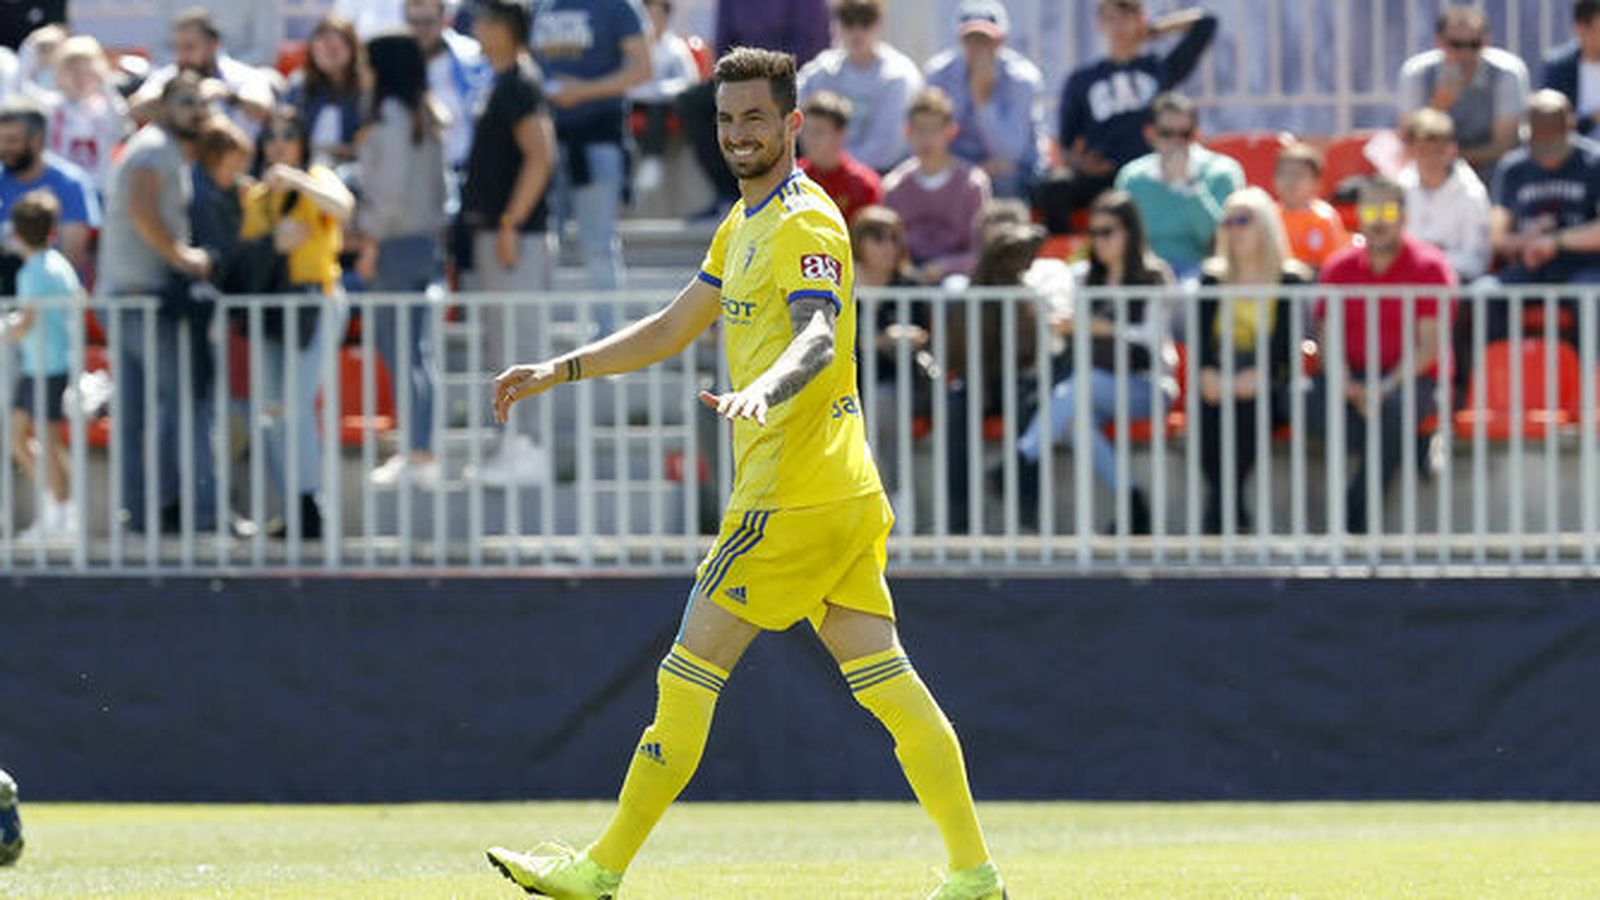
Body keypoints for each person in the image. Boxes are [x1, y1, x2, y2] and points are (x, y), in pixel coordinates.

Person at [484, 46, 1005, 900]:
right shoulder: (744, 222)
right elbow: (667, 328)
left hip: (787, 498)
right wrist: (558, 369)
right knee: (889, 684)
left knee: (685, 674)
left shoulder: (804, 219)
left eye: (756, 118)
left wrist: (766, 386)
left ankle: (600, 869)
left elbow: (819, 334)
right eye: (727, 120)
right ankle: (975, 874)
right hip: (840, 494)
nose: (738, 134)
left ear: (793, 123)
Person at [1015, 189, 1175, 535]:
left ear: (1129, 233)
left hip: (1147, 385)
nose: (1099, 240)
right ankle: (1134, 504)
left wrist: (1105, 327)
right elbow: (1049, 291)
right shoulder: (1083, 277)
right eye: (1094, 232)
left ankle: (1021, 458)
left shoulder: (1153, 275)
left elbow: (1151, 338)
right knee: (1074, 423)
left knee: (1081, 384)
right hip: (1094, 387)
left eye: (1108, 232)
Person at [97, 71, 214, 535]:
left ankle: (137, 512)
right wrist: (182, 257)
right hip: (142, 298)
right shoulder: (154, 149)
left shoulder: (160, 147)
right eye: (186, 101)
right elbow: (142, 208)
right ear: (165, 106)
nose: (197, 111)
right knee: (175, 403)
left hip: (128, 297)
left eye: (202, 102)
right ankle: (170, 508)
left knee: (135, 412)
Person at [239, 105, 356, 541]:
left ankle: (310, 505)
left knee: (295, 404)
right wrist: (276, 240)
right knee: (271, 410)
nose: (278, 145)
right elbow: (251, 253)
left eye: (288, 136)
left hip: (313, 302)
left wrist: (296, 179)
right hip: (272, 306)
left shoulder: (316, 178)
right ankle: (291, 503)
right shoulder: (257, 196)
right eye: (271, 137)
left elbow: (343, 207)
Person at [1314, 176, 1454, 535]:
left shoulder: (1430, 266)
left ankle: (1352, 524)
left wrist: (1385, 387)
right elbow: (1328, 337)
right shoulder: (1338, 267)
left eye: (1388, 210)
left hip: (1412, 380)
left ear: (1404, 216)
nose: (1378, 219)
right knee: (1301, 401)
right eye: (1370, 209)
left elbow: (1428, 346)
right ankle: (1415, 443)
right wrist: (1347, 385)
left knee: (1394, 409)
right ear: (1358, 215)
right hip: (1355, 379)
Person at [460, 0, 557, 487]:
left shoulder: (520, 81)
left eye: (482, 20)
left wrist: (508, 224)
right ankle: (513, 444)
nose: (474, 28)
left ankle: (530, 450)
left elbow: (541, 156)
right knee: (502, 344)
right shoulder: (502, 80)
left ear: (503, 29)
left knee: (520, 343)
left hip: (514, 239)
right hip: (499, 235)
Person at [358, 32, 450, 490]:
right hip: (421, 242)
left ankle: (419, 450)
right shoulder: (425, 117)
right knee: (414, 351)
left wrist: (371, 239)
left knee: (402, 351)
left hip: (395, 244)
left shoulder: (393, 117)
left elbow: (388, 193)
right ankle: (420, 448)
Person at [1040, 0, 1217, 235]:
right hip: (1105, 177)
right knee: (1054, 188)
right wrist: (1083, 165)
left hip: (1153, 173)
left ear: (1140, 20)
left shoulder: (1159, 69)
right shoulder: (1082, 80)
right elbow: (1065, 146)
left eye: (1126, 18)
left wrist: (1153, 31)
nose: (1119, 27)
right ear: (1100, 24)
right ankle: (1065, 255)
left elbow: (1206, 23)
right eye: (1111, 19)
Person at [1195, 187, 1311, 534]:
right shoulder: (1211, 279)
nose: (1233, 229)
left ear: (1265, 226)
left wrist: (1258, 375)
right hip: (1223, 370)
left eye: (1242, 220)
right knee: (1210, 410)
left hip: (1272, 375)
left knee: (1248, 406)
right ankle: (1226, 504)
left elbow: (1286, 343)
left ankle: (1221, 507)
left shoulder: (1290, 279)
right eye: (1227, 221)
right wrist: (1211, 374)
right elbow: (1203, 341)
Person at [530, 0, 651, 322]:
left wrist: (584, 91)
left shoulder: (618, 6)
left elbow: (642, 68)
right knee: (540, 245)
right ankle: (537, 338)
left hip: (598, 137)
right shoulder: (540, 6)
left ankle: (605, 338)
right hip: (543, 141)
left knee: (598, 244)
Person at [679, 0, 833, 215]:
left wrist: (769, 77)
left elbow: (812, 45)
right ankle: (728, 194)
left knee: (774, 107)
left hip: (791, 79)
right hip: (743, 81)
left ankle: (784, 187)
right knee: (693, 101)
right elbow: (724, 49)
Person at [1486, 90, 1600, 341]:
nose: (1547, 154)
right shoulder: (1514, 167)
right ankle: (1495, 376)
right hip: (1531, 265)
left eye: (1554, 142)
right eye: (1541, 143)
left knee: (1591, 298)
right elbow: (1496, 237)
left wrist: (1556, 241)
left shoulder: (1594, 162)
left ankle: (1592, 377)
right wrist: (1526, 240)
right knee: (1484, 296)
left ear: (1570, 125)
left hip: (1584, 266)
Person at [2, 190, 80, 539]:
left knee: (46, 442)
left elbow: (25, 323)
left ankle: (62, 515)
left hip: (48, 367)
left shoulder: (35, 270)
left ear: (17, 233)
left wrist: (5, 328)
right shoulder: (59, 264)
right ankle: (57, 506)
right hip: (41, 366)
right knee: (18, 438)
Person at [1113, 91, 1243, 282]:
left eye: (1185, 134)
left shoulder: (1223, 172)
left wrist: (1190, 186)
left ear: (1196, 134)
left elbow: (1223, 241)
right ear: (1150, 134)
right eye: (1167, 133)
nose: (1176, 141)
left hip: (1204, 276)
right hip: (1144, 277)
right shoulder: (1132, 177)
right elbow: (1122, 239)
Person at [923, 0, 1044, 199]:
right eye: (971, 40)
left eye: (985, 41)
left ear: (1001, 41)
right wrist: (971, 170)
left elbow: (1009, 154)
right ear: (959, 40)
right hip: (958, 167)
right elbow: (932, 136)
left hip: (1014, 173)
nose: (978, 48)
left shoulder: (1023, 78)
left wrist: (982, 101)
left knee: (1004, 184)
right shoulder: (938, 74)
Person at [1396, 5, 1528, 177]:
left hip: (1490, 170)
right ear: (1439, 42)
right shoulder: (1417, 73)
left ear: (1486, 42)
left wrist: (1452, 158)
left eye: (1474, 45)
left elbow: (1505, 144)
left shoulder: (1507, 73)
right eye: (1456, 45)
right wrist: (1439, 105)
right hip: (1431, 171)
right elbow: (1410, 139)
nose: (1465, 53)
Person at [797, 0, 923, 173]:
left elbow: (887, 149)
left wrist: (840, 165)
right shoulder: (821, 70)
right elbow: (792, 116)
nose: (857, 31)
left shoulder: (898, 77)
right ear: (837, 24)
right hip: (822, 170)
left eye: (866, 21)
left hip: (881, 175)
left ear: (879, 23)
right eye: (848, 21)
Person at [881, 87, 990, 284]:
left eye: (935, 129)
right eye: (920, 129)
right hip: (906, 280)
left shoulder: (973, 184)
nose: (927, 138)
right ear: (907, 132)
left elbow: (980, 252)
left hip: (956, 280)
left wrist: (943, 267)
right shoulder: (893, 185)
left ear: (951, 131)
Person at [129, 9, 276, 140]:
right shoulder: (168, 76)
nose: (182, 56)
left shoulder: (244, 75)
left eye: (189, 47)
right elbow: (135, 109)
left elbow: (264, 109)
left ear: (213, 45)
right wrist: (173, 96)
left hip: (235, 165)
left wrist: (227, 96)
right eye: (178, 48)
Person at [0, 95, 100, 280]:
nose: (3, 148)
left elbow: (72, 257)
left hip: (51, 298)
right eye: (1, 140)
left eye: (12, 140)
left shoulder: (71, 184)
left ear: (37, 140)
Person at [1398, 108, 1491, 283]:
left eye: (1438, 151)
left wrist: (1432, 264)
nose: (1431, 159)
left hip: (1456, 284)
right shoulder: (1399, 187)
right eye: (1424, 151)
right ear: (1412, 151)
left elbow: (1477, 260)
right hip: (1407, 283)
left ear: (1452, 150)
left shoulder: (1472, 193)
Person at [407, 0, 492, 172]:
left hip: (473, 168)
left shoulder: (475, 57)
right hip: (421, 175)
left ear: (446, 20)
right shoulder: (397, 64)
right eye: (414, 22)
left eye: (428, 22)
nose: (421, 30)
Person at [626, 0, 701, 196]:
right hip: (633, 101)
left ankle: (652, 159)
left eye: (658, 16)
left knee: (656, 108)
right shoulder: (630, 46)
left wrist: (660, 90)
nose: (653, 21)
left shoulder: (676, 47)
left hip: (663, 103)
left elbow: (689, 81)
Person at [42, 35, 128, 198]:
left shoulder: (108, 106)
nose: (79, 78)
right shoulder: (49, 107)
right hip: (59, 192)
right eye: (72, 70)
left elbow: (121, 129)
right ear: (59, 73)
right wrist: (30, 51)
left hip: (99, 192)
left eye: (86, 71)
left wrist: (105, 84)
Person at [288, 14, 366, 169]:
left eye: (335, 46)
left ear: (352, 48)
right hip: (304, 169)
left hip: (351, 171)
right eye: (321, 45)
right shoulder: (299, 87)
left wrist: (339, 151)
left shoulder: (365, 91)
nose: (327, 51)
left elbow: (370, 147)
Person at [798, 90, 881, 222]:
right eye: (806, 130)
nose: (809, 139)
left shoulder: (865, 185)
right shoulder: (792, 178)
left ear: (840, 134)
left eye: (818, 131)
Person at [1274, 141, 1350, 274]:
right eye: (1284, 173)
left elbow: (1332, 265)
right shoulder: (1268, 215)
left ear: (1316, 183)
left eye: (1298, 174)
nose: (1291, 181)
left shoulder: (1324, 218)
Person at [1541, 0, 1600, 141]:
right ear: (1581, 28)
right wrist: (1592, 119)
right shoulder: (1558, 67)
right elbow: (1550, 123)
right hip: (1573, 157)